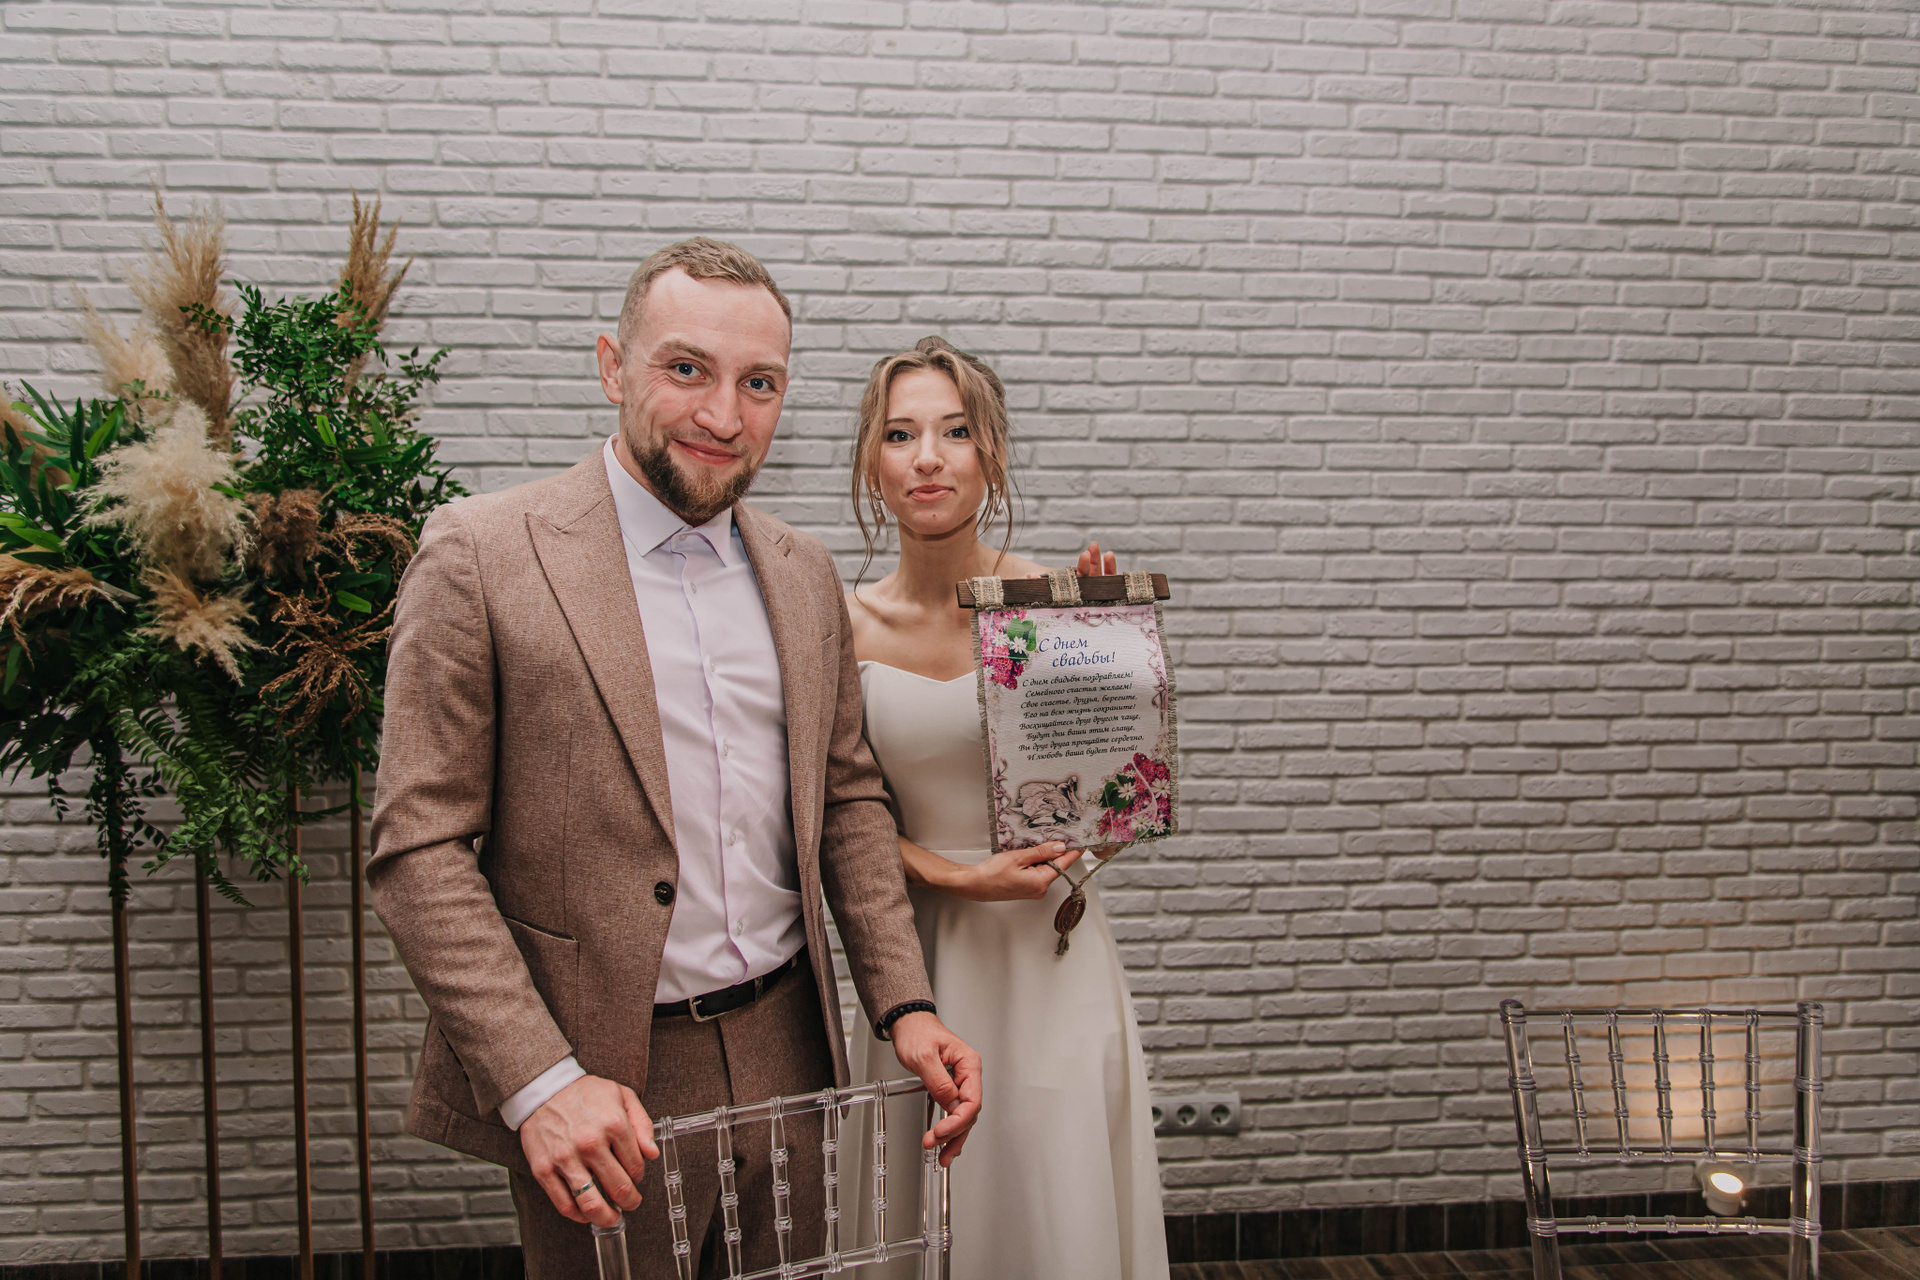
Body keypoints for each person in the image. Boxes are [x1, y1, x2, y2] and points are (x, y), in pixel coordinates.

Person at [368, 241, 983, 1279]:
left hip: (793, 1052)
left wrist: (906, 1003)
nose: (724, 415)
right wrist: (539, 1081)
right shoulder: (481, 553)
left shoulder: (803, 571)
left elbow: (845, 799)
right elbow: (418, 849)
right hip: (599, 1079)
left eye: (760, 383)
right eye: (687, 368)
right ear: (614, 366)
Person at [842, 338, 1171, 1279]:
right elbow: (829, 817)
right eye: (900, 434)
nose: (928, 457)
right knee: (922, 1207)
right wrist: (955, 875)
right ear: (871, 463)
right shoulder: (841, 623)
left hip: (1047, 950)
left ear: (989, 457)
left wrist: (1114, 650)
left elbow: (1109, 802)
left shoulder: (1048, 607)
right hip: (917, 960)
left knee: (1053, 1202)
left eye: (955, 432)